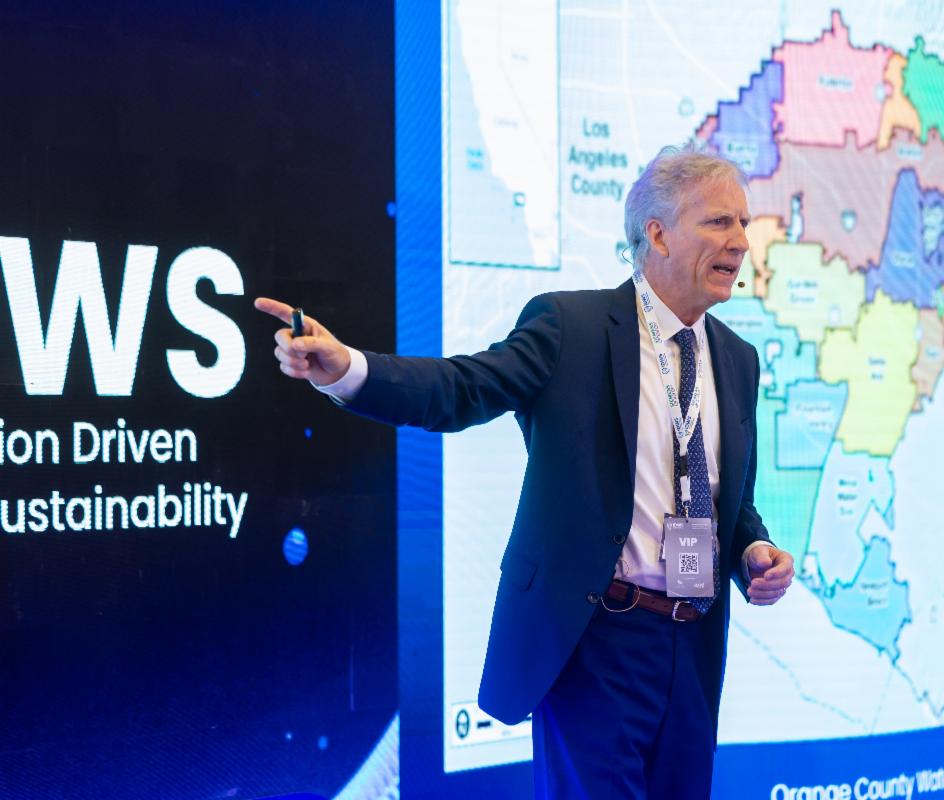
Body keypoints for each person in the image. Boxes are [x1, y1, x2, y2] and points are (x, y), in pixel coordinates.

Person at [256, 144, 795, 799]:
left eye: (744, 223)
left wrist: (753, 550)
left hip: (694, 646)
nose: (741, 241)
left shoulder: (737, 359)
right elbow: (461, 387)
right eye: (719, 222)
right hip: (596, 641)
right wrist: (350, 370)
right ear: (657, 235)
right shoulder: (572, 326)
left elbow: (728, 502)